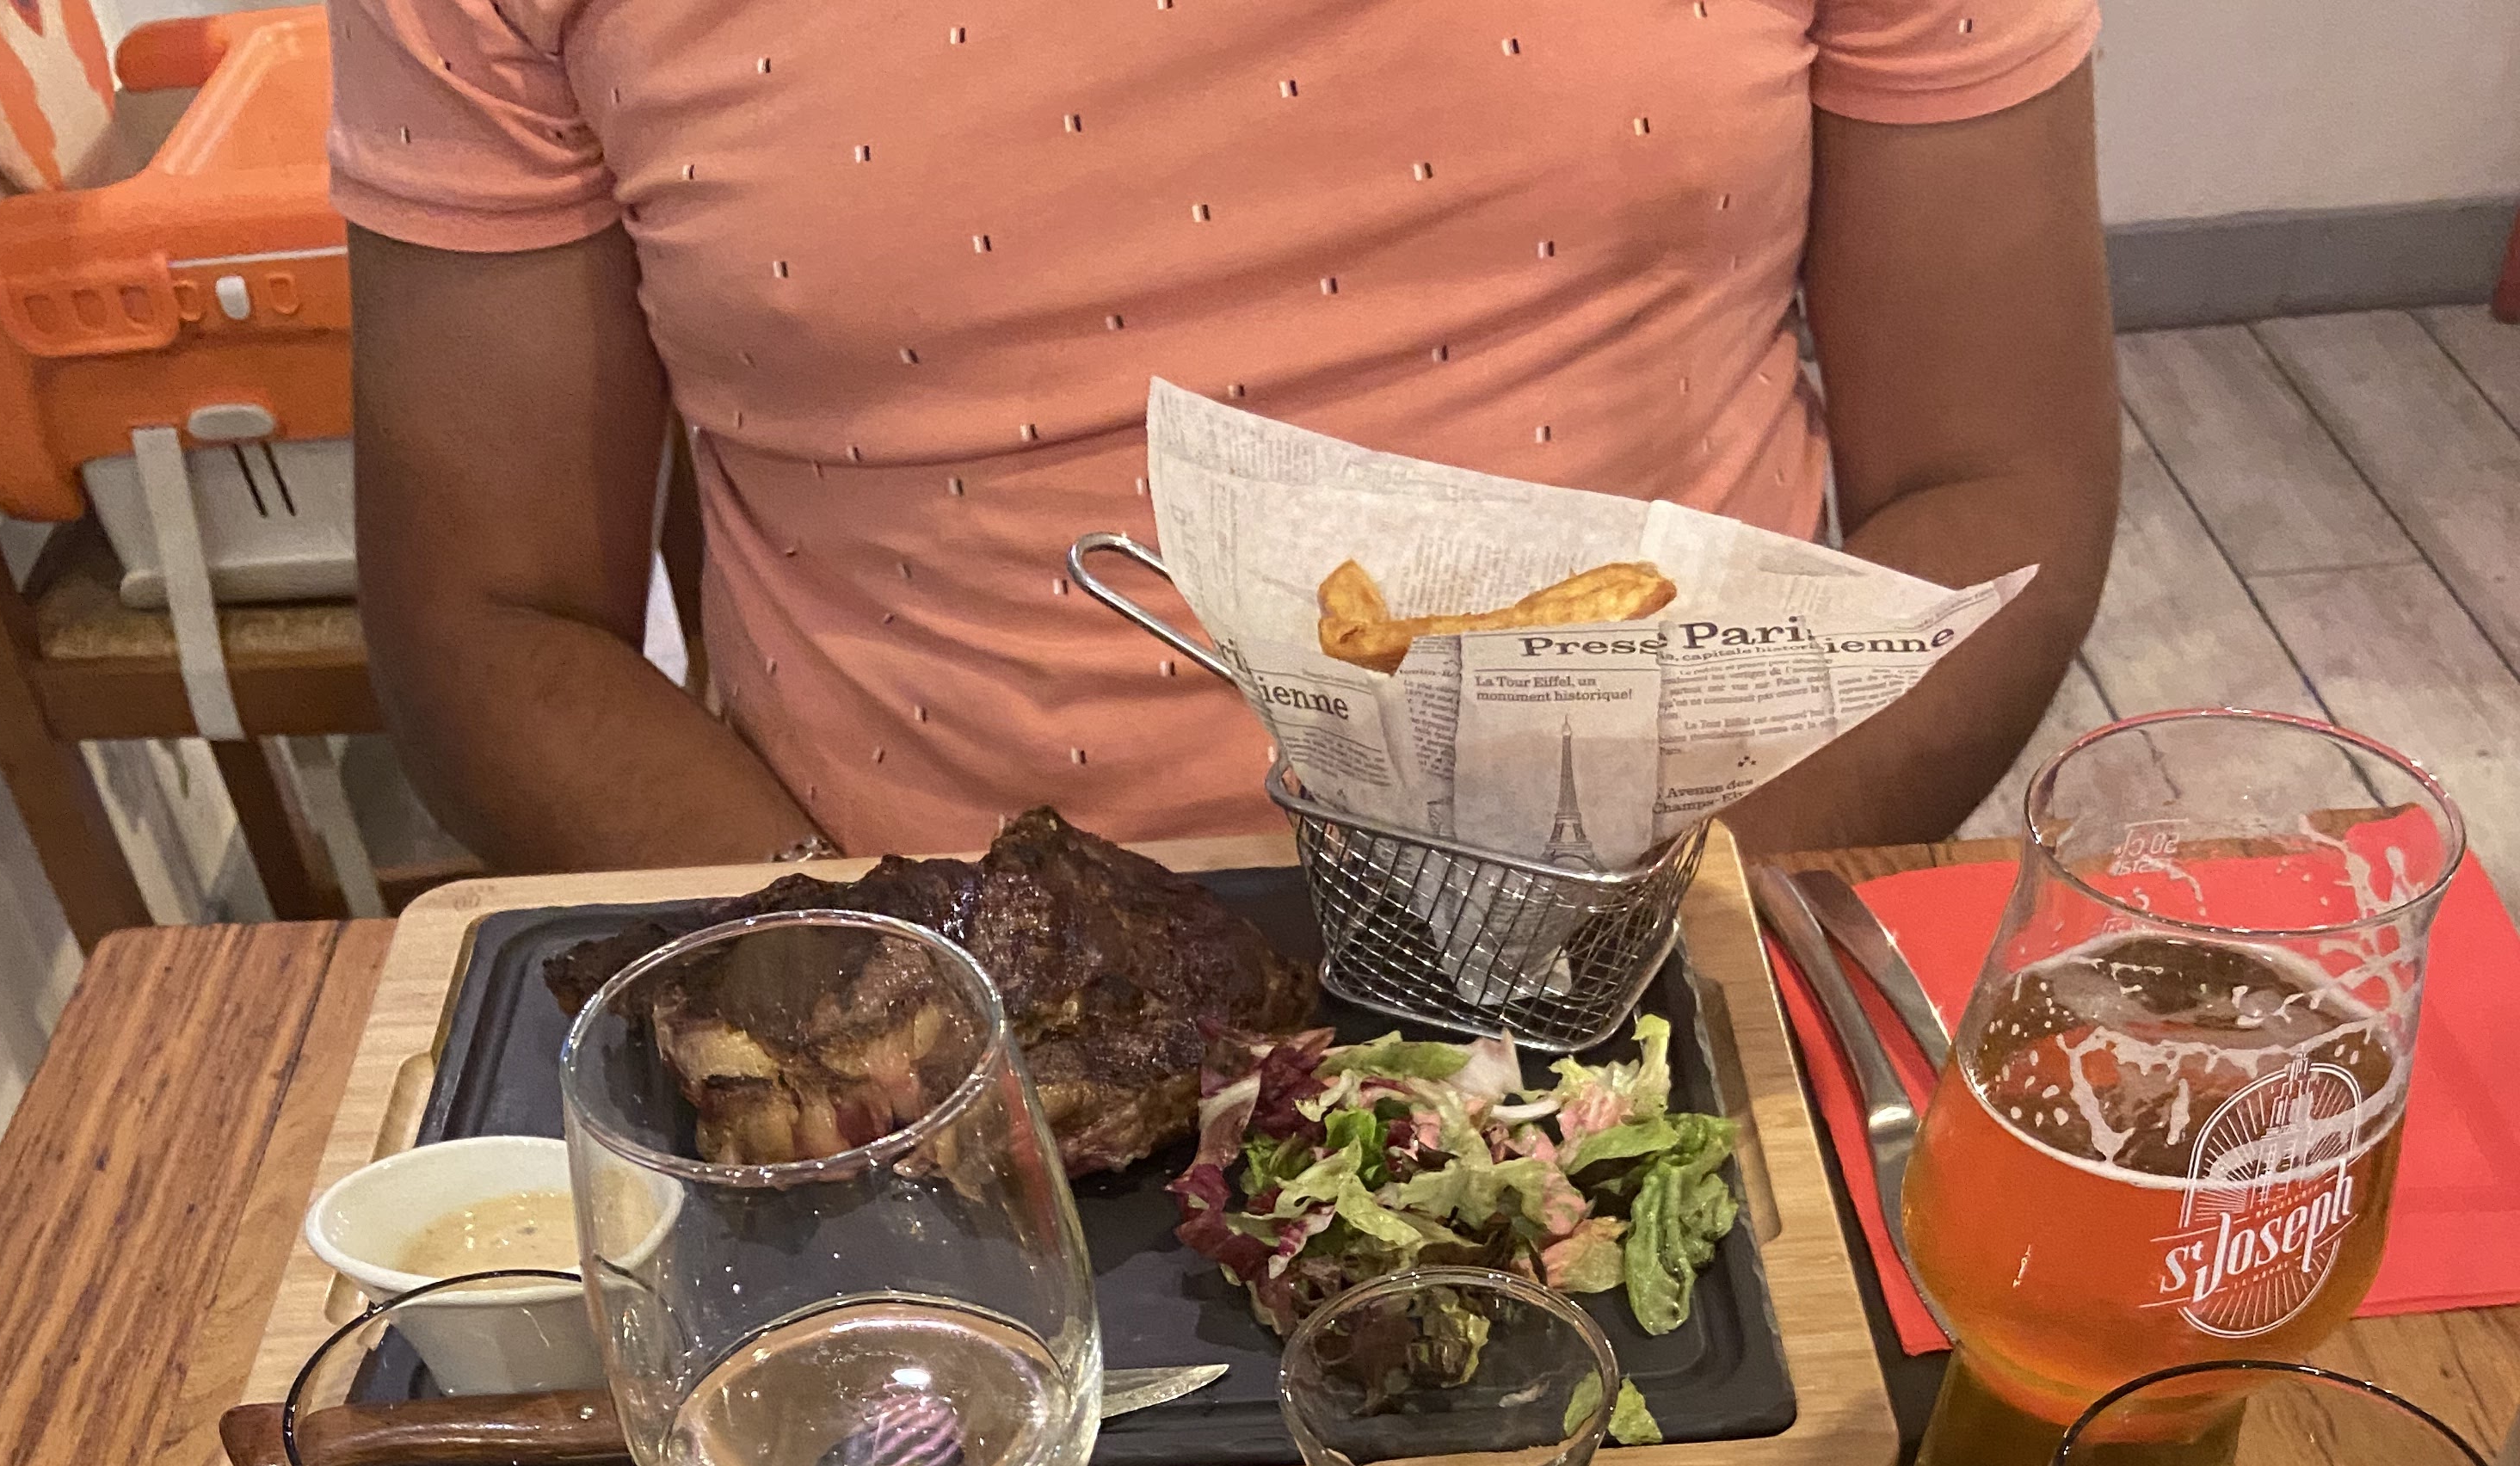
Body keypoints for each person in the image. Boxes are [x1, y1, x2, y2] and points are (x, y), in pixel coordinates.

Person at [328, 0, 2118, 870]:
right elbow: (492, 613)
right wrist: (882, 995)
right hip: (906, 979)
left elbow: (1994, 481)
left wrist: (1637, 949)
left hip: (1697, 904)